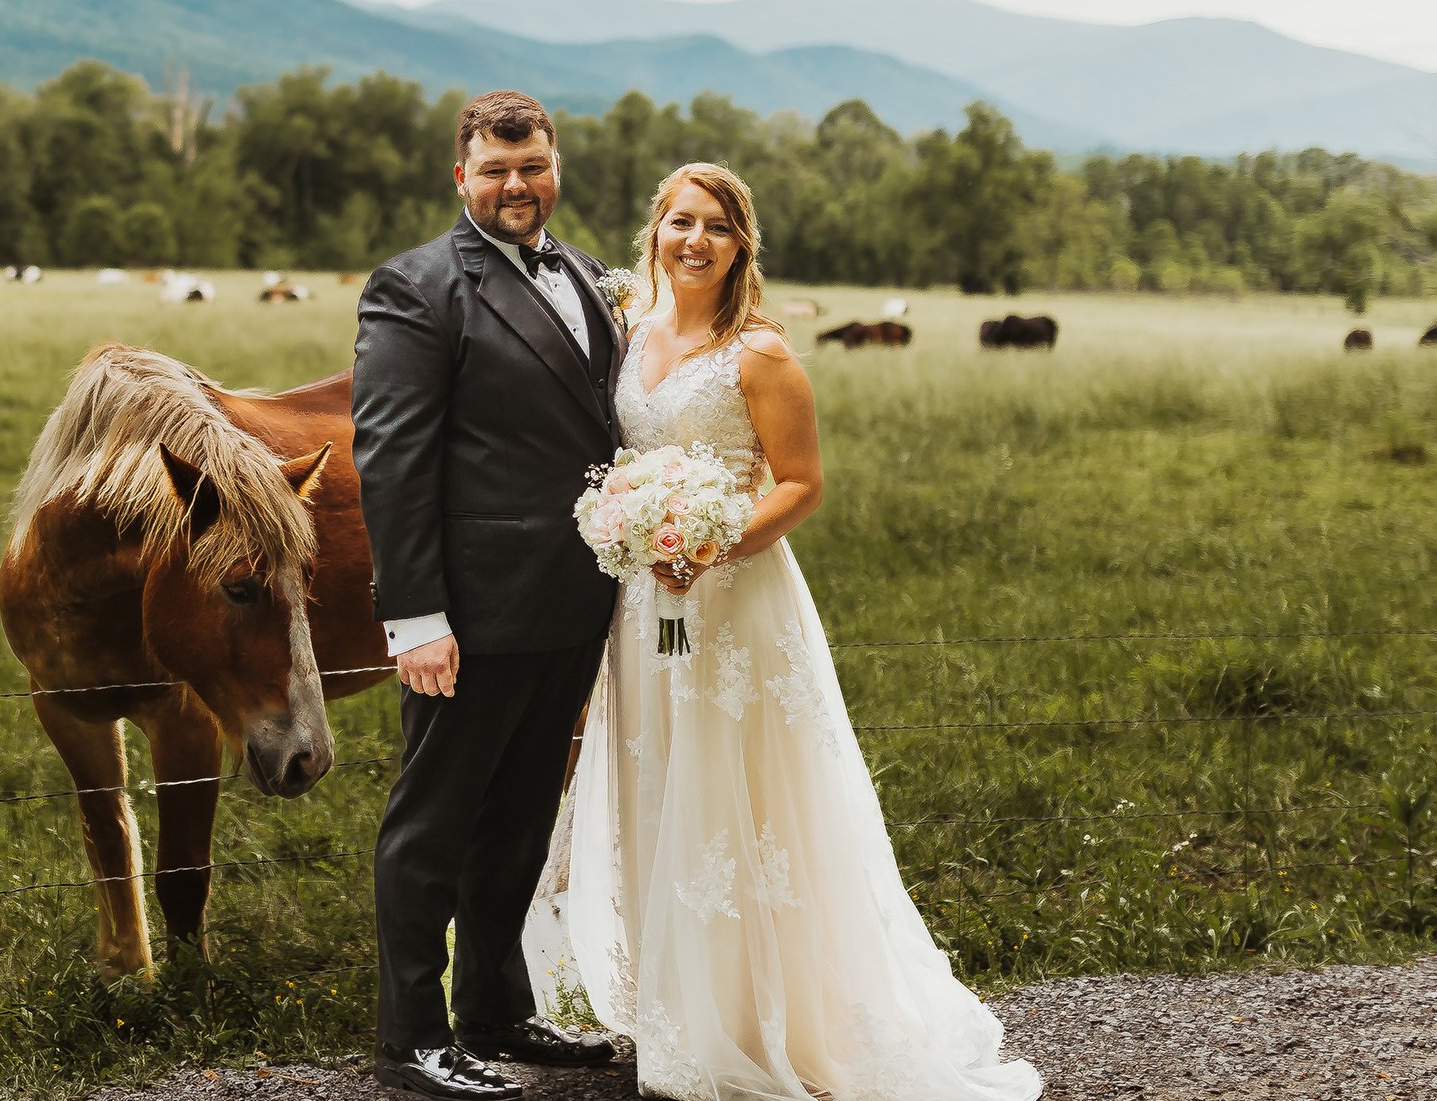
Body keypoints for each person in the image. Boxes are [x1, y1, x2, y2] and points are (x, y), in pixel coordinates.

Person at [523, 163, 1040, 1101]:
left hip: (736, 605)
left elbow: (800, 483)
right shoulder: (629, 333)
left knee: (740, 795)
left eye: (716, 227)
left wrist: (715, 546)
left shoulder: (759, 352)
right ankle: (684, 1009)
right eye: (680, 221)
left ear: (740, 246)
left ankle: (771, 1017)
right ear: (655, 231)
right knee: (659, 782)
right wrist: (636, 533)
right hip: (644, 607)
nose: (695, 240)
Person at [353, 91, 626, 1099]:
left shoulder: (593, 275)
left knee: (518, 819)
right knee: (434, 823)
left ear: (554, 166)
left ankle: (498, 1007)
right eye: (497, 169)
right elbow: (390, 457)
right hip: (466, 614)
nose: (518, 185)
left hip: (572, 600)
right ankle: (410, 1037)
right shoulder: (415, 287)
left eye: (535, 165)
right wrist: (416, 616)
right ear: (459, 175)